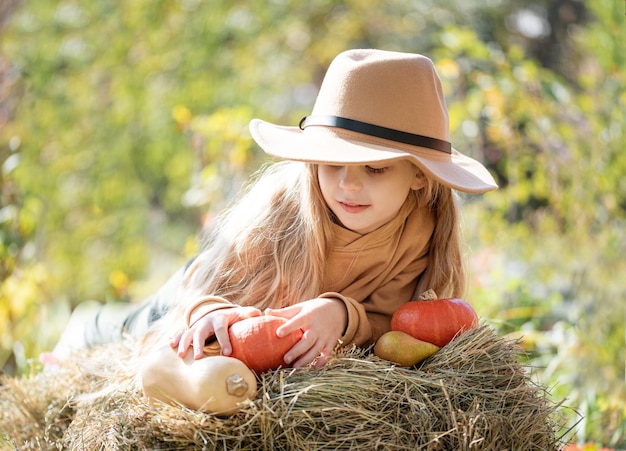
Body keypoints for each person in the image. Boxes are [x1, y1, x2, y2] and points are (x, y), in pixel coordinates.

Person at [47, 49, 497, 371]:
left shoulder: (421, 233)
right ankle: (84, 322)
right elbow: (207, 283)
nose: (348, 184)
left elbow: (393, 320)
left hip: (270, 320)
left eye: (375, 169)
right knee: (124, 326)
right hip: (198, 292)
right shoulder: (283, 211)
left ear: (419, 176)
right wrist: (206, 313)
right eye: (331, 164)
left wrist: (340, 314)